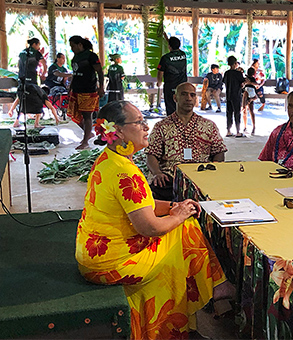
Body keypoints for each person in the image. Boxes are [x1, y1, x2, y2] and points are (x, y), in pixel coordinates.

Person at [76, 100, 233, 340]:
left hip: (96, 253)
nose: (145, 127)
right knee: (185, 230)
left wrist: (174, 206)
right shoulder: (124, 172)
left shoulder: (109, 159)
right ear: (116, 131)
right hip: (111, 263)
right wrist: (179, 214)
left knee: (183, 221)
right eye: (139, 122)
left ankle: (208, 295)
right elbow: (149, 227)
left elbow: (141, 206)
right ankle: (212, 291)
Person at [146, 82, 227, 201]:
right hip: (170, 179)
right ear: (175, 98)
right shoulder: (161, 126)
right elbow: (151, 154)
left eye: (192, 95)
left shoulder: (209, 125)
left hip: (202, 177)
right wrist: (157, 173)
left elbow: (219, 151)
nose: (188, 98)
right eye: (184, 94)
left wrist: (213, 168)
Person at [67, 35, 105, 149]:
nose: (72, 48)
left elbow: (99, 71)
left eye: (73, 46)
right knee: (75, 115)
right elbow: (75, 73)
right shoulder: (76, 57)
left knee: (87, 115)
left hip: (88, 89)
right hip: (77, 89)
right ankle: (88, 134)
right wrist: (71, 87)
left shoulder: (91, 56)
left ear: (80, 45)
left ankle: (85, 141)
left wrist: (101, 87)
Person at [157, 36, 188, 116]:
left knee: (171, 107)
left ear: (169, 46)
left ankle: (172, 125)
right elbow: (177, 50)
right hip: (182, 86)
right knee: (182, 106)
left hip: (170, 86)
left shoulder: (165, 58)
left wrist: (159, 82)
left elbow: (160, 72)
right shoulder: (183, 55)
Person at [223, 55, 245, 137]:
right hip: (236, 95)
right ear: (235, 63)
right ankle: (238, 131)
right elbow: (242, 83)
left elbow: (224, 82)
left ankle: (228, 131)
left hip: (228, 95)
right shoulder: (238, 73)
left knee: (229, 113)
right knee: (237, 113)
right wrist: (242, 73)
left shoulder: (226, 73)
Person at [242, 67, 259, 135]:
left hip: (249, 94)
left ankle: (248, 126)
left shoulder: (250, 79)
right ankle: (249, 126)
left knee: (246, 110)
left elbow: (256, 85)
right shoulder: (248, 79)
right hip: (250, 94)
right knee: (249, 111)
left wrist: (249, 82)